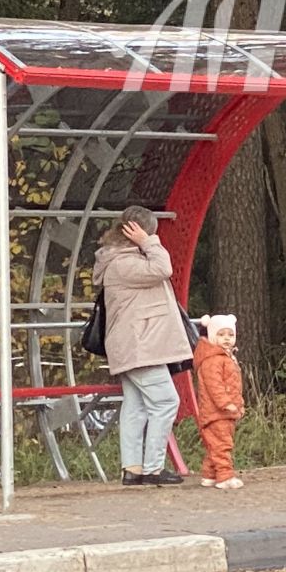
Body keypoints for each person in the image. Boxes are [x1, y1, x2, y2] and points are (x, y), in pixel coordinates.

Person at [94, 205, 191, 485]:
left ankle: (133, 468)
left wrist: (143, 244)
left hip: (137, 345)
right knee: (166, 401)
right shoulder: (125, 263)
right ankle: (152, 468)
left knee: (136, 406)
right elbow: (163, 268)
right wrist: (147, 242)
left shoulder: (122, 259)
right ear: (136, 233)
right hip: (140, 346)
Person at [192, 315, 245, 488]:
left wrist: (239, 404)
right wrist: (226, 404)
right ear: (213, 336)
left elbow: (234, 386)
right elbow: (215, 386)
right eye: (222, 335)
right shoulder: (212, 360)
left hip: (225, 412)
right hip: (217, 412)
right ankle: (224, 477)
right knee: (222, 445)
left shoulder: (226, 358)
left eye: (230, 335)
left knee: (214, 445)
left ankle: (210, 475)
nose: (227, 339)